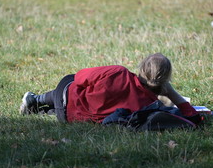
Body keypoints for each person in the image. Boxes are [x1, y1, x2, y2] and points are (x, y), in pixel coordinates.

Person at [19, 53, 202, 126]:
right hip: (71, 118)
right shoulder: (148, 106)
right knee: (71, 107)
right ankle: (43, 112)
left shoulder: (118, 73)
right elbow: (193, 116)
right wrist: (171, 93)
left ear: (141, 68)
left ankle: (37, 100)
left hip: (67, 98)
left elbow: (81, 77)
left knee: (70, 81)